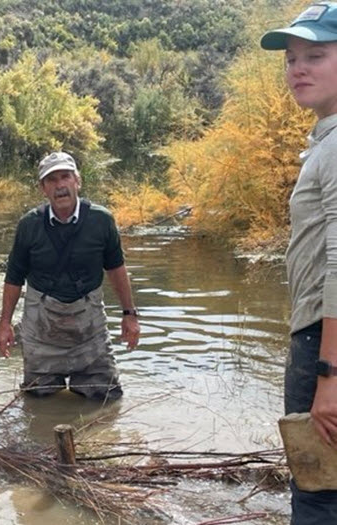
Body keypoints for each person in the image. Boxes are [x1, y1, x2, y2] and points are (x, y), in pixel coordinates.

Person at [261, 3, 337, 522]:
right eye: (291, 58)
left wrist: (330, 375)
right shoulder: (324, 141)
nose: (298, 69)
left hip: (322, 343)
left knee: (316, 491)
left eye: (316, 54)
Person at [0, 151, 140, 400]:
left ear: (77, 181)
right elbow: (14, 277)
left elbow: (116, 268)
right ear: (43, 188)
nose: (60, 185)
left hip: (90, 329)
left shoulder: (101, 220)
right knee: (38, 401)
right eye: (52, 180)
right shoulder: (29, 225)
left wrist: (129, 315)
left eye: (65, 177)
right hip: (41, 331)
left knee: (104, 399)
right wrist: (5, 324)